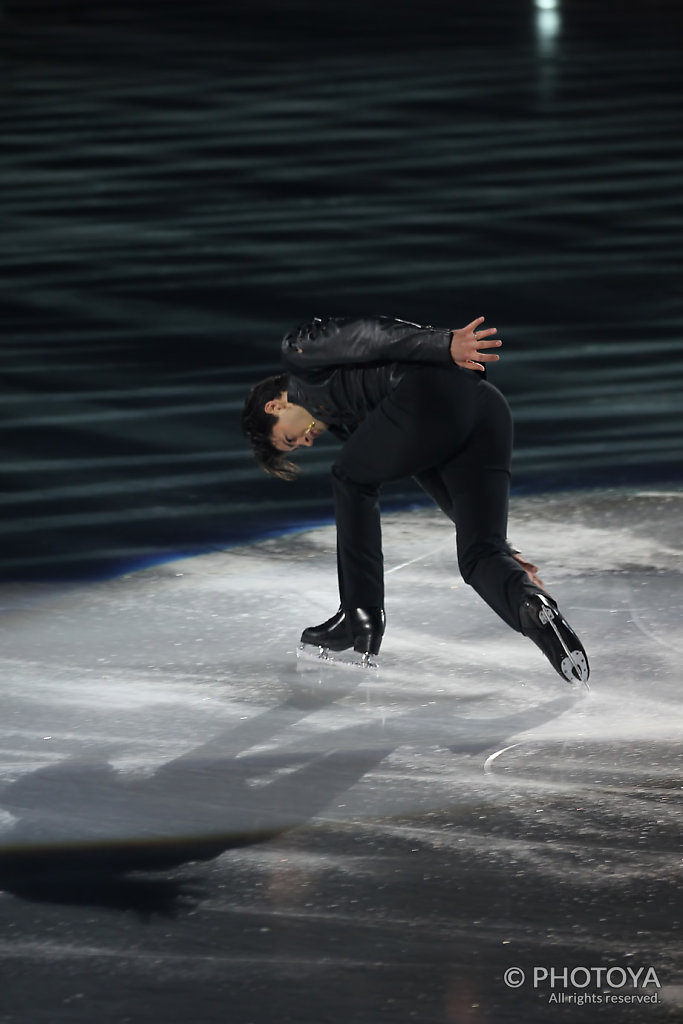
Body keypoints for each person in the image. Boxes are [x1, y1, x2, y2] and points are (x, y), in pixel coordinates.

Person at [241, 314, 589, 684]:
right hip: (485, 410)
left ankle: (360, 615)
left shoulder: (299, 354)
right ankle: (533, 607)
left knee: (348, 477)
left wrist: (443, 343)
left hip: (431, 393)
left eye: (291, 440)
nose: (306, 442)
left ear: (275, 407)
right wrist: (506, 547)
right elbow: (428, 470)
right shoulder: (355, 420)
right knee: (481, 554)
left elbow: (367, 334)